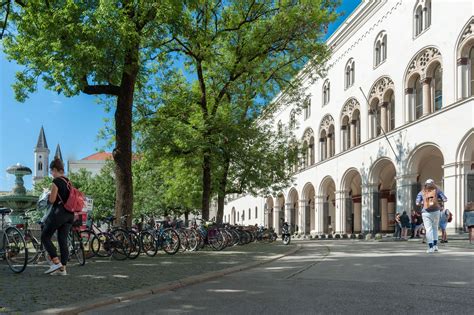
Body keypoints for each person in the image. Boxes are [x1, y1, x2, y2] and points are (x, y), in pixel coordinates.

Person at [41, 158, 75, 275]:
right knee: (63, 240)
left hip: (59, 213)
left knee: (45, 236)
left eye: (51, 172)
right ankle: (63, 269)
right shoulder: (68, 182)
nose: (51, 174)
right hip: (70, 214)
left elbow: (52, 200)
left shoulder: (56, 181)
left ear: (55, 170)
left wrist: (48, 193)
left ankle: (56, 262)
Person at [415, 179, 447, 253]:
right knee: (435, 228)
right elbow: (445, 199)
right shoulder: (437, 190)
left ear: (425, 184)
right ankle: (436, 246)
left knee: (428, 230)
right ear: (433, 184)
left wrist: (424, 203)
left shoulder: (421, 192)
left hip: (426, 212)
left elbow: (417, 203)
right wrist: (436, 201)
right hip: (436, 211)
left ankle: (430, 247)